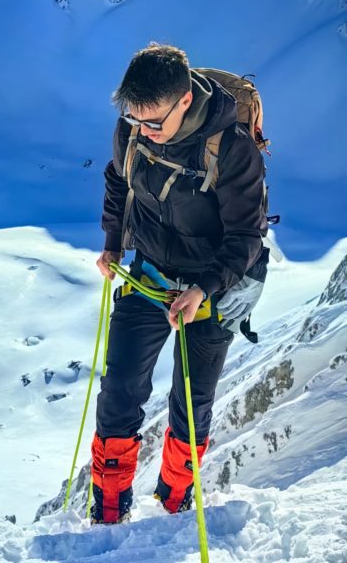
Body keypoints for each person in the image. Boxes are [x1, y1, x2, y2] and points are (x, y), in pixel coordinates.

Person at [91, 43, 268, 524]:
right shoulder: (133, 129)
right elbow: (118, 179)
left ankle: (174, 505)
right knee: (119, 390)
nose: (142, 130)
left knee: (191, 404)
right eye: (133, 119)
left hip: (214, 286)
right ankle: (107, 511)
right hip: (150, 271)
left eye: (153, 122)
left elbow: (246, 236)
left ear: (185, 100)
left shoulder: (231, 148)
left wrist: (204, 288)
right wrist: (113, 243)